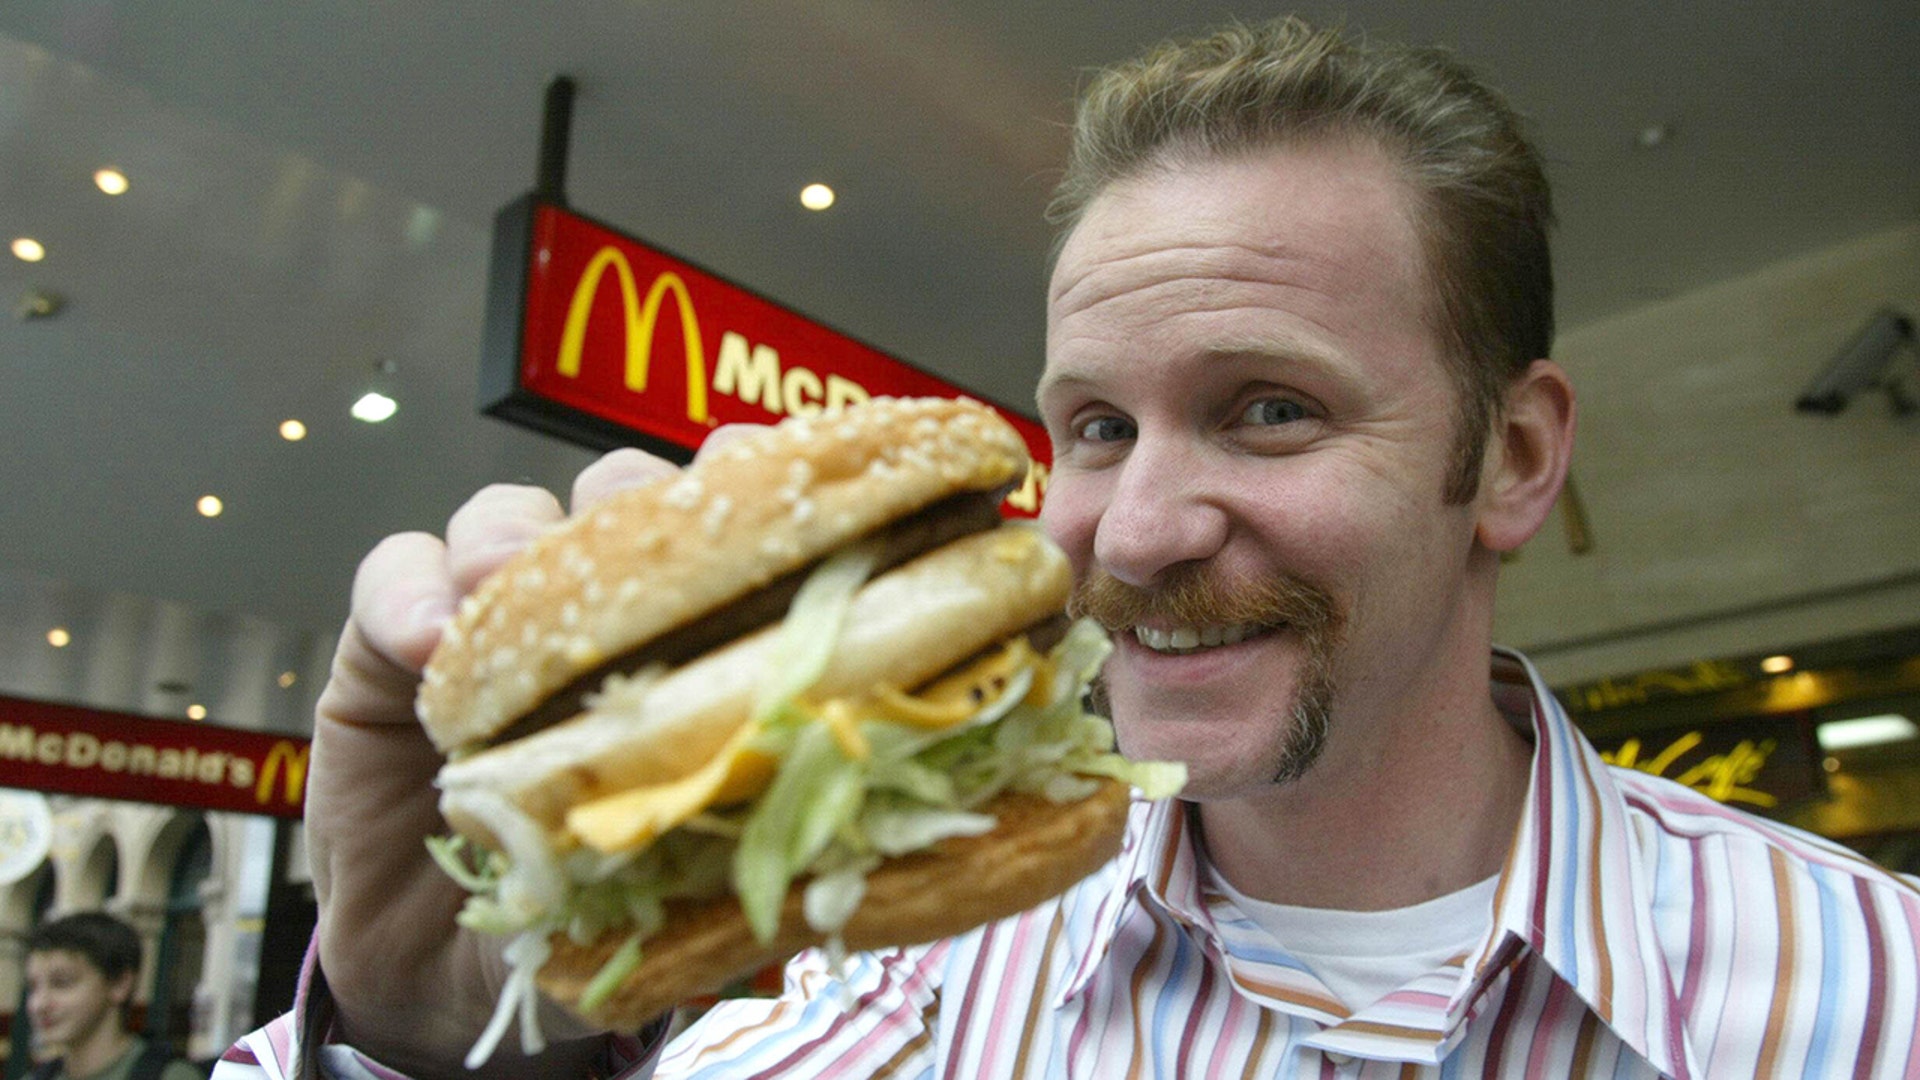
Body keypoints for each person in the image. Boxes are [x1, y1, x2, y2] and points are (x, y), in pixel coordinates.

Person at [218, 16, 1920, 1080]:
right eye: (1096, 426)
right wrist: (422, 1041)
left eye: (1269, 410)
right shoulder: (865, 994)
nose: (1141, 533)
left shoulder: (1869, 999)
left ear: (1517, 455)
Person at [23, 911, 204, 1080]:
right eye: (33, 988)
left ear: (120, 984)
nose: (39, 1004)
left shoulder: (171, 1075)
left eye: (62, 983)